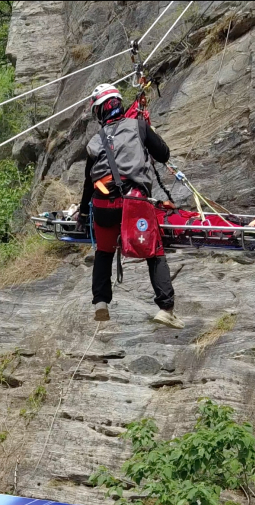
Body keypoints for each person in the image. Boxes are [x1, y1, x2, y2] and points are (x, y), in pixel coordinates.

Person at [76, 83, 183, 328]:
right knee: (153, 251)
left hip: (103, 205)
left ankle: (100, 302)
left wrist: (82, 213)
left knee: (104, 252)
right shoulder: (139, 126)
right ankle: (166, 308)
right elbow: (164, 154)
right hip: (134, 204)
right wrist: (148, 133)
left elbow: (88, 183)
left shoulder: (95, 141)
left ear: (99, 111)